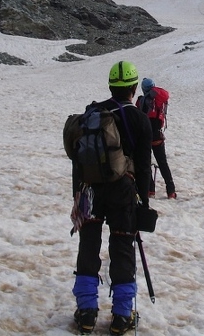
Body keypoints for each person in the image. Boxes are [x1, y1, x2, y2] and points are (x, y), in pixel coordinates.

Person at [72, 61, 153, 335]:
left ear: (110, 87)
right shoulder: (140, 119)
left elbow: (78, 158)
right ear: (133, 88)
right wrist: (144, 202)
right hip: (124, 191)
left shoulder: (94, 112)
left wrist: (77, 193)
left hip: (91, 189)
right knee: (121, 247)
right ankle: (121, 316)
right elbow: (143, 166)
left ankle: (86, 311)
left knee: (89, 245)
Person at [136, 77, 176, 199]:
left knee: (146, 163)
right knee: (163, 163)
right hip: (158, 135)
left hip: (145, 137)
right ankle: (171, 191)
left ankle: (150, 190)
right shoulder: (160, 99)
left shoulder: (141, 101)